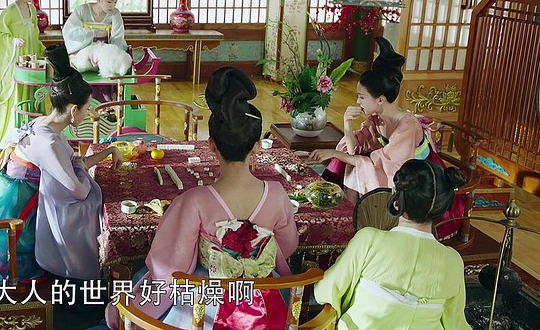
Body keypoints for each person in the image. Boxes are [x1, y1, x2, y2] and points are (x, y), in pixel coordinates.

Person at [104, 67, 299, 329]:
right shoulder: (276, 193)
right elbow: (287, 245)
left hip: (208, 301)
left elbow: (172, 262)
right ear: (256, 147)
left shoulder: (195, 200)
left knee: (146, 279)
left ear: (211, 145)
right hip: (264, 297)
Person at [0, 44, 123, 297]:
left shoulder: (43, 123)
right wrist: (88, 178)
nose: (89, 112)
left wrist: (109, 151)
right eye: (87, 108)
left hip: (16, 191)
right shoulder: (49, 143)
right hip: (20, 206)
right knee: (87, 209)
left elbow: (73, 164)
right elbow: (78, 190)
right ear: (73, 110)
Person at [314, 159, 470, 329]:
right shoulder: (453, 260)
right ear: (443, 204)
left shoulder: (369, 240)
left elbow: (326, 291)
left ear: (396, 197)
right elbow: (455, 322)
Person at [309, 37, 439, 199]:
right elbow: (353, 150)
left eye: (362, 97)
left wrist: (335, 154)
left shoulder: (408, 126)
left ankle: (361, 209)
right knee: (355, 164)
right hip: (395, 168)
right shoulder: (376, 118)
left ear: (380, 100)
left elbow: (386, 165)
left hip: (417, 179)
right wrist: (347, 123)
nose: (358, 101)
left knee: (360, 166)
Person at [0, 0, 47, 150]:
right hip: (17, 58)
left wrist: (41, 50)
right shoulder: (10, 12)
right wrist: (12, 41)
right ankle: (13, 134)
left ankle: (35, 132)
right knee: (17, 94)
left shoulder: (33, 10)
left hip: (32, 58)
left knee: (33, 91)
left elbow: (35, 35)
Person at [63, 0, 131, 98]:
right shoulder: (82, 11)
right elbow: (69, 32)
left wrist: (108, 54)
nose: (112, 6)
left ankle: (105, 104)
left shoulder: (115, 14)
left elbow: (117, 39)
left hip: (104, 55)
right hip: (82, 51)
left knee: (110, 63)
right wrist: (91, 33)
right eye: (109, 2)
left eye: (115, 2)